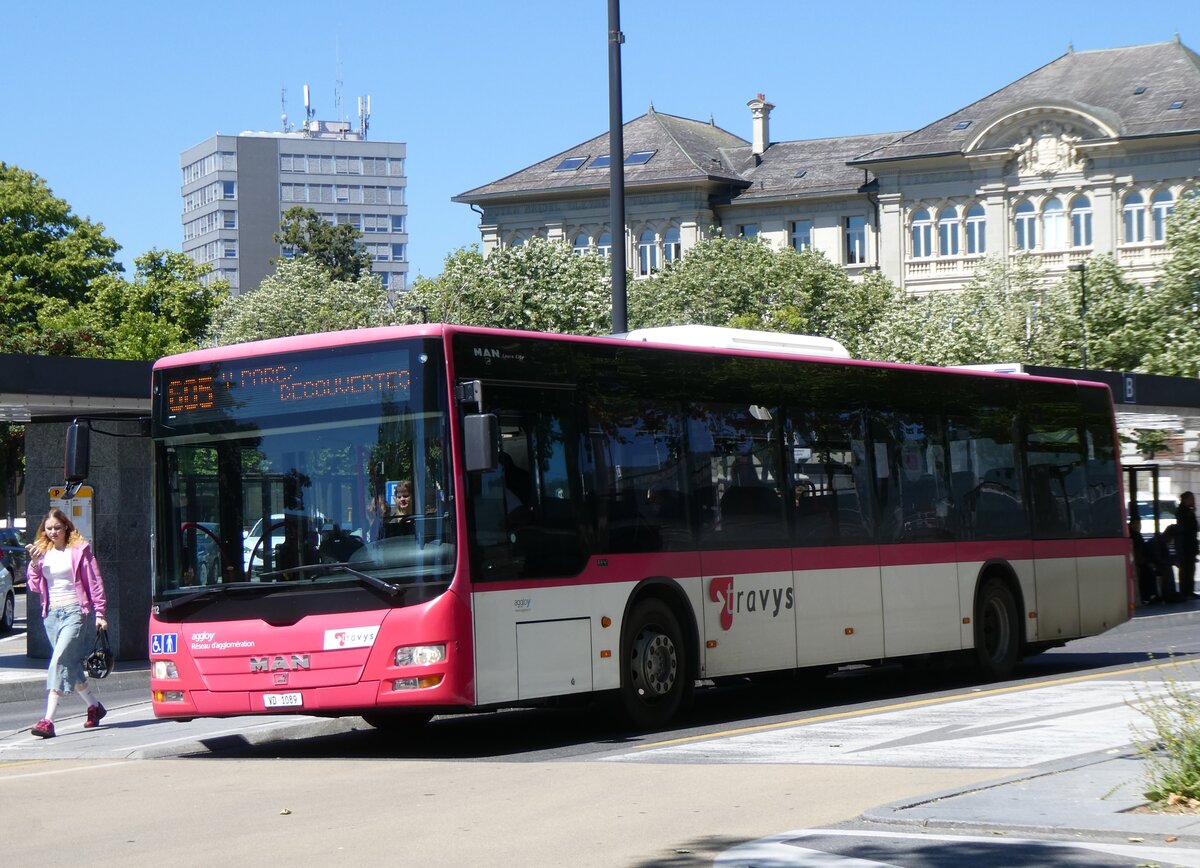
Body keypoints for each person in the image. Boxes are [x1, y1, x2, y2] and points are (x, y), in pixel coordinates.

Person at [24, 508, 108, 738]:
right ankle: (94, 707)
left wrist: (100, 612)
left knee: (58, 660)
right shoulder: (42, 552)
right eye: (48, 528)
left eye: (57, 527)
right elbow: (33, 586)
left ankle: (47, 720)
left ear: (66, 527)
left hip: (75, 612)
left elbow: (95, 581)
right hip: (51, 615)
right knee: (69, 665)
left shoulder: (80, 550)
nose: (53, 532)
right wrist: (33, 565)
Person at [1175, 491, 1198, 598]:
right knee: (1185, 568)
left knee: (1191, 568)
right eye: (1191, 499)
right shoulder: (1181, 511)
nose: (1193, 501)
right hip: (1184, 544)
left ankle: (1189, 590)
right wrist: (1191, 512)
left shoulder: (1189, 511)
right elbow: (1185, 526)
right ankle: (1184, 591)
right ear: (1185, 500)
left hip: (1190, 544)